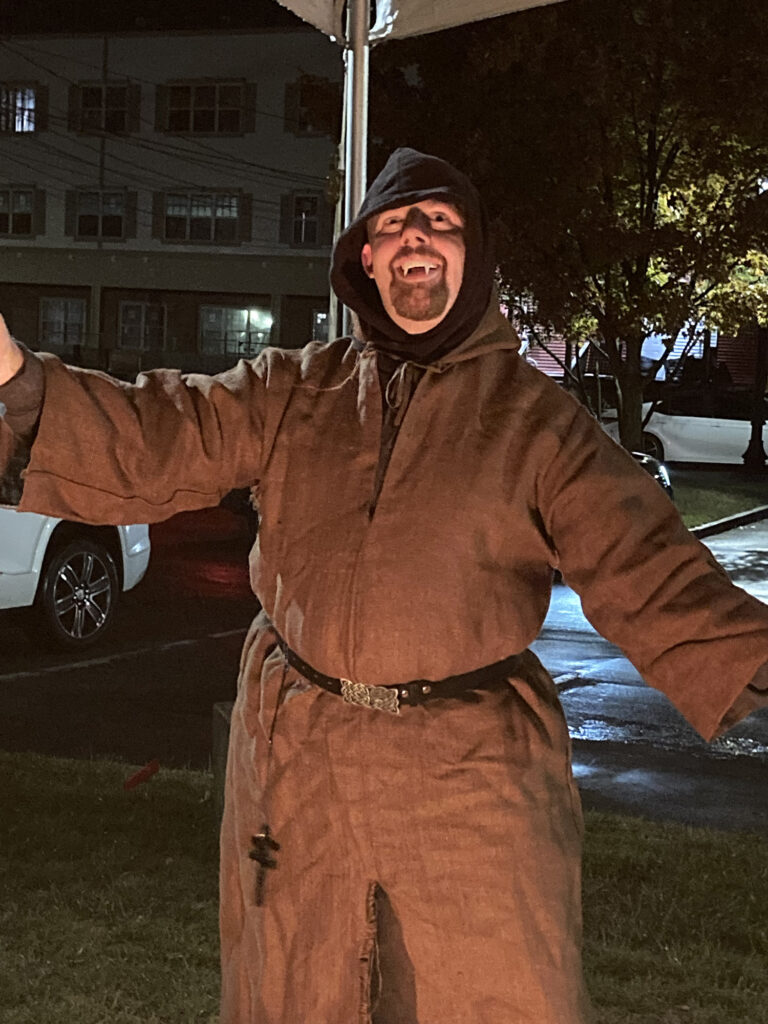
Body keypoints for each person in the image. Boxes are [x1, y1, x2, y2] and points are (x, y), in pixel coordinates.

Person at [1, 147, 767, 1024]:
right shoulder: (293, 390)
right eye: (395, 225)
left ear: (472, 256)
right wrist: (16, 376)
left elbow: (646, 563)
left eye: (441, 224)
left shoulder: (537, 423)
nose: (417, 240)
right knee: (296, 990)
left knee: (488, 995)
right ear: (365, 258)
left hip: (472, 774)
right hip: (299, 763)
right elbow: (161, 434)